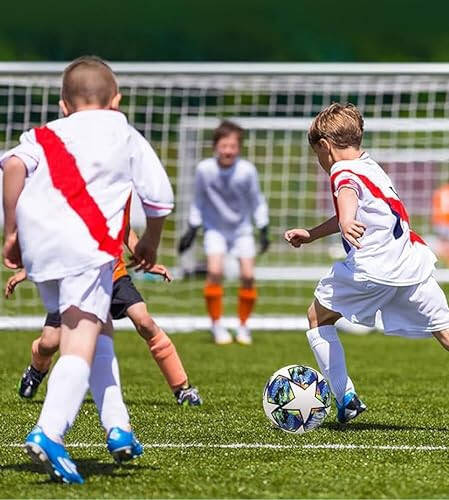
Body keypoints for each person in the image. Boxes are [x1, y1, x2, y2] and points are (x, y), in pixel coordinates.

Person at [1, 56, 174, 484]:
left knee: (97, 333)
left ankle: (119, 428)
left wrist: (11, 231)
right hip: (90, 248)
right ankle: (49, 432)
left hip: (45, 250)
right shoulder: (123, 132)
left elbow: (12, 167)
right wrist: (150, 242)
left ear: (63, 105)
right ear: (116, 100)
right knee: (79, 343)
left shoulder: (42, 135)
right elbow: (158, 196)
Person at [284, 103, 449, 424]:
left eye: (317, 153)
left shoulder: (342, 170)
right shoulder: (370, 165)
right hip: (412, 262)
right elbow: (359, 204)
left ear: (324, 146)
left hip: (375, 266)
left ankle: (345, 396)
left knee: (317, 318)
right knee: (445, 333)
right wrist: (315, 233)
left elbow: (346, 193)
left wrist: (346, 220)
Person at [7, 204, 202, 407]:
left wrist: (145, 259)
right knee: (49, 343)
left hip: (113, 273)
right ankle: (37, 368)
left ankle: (182, 388)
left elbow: (124, 229)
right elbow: (56, 232)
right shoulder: (74, 184)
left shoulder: (123, 184)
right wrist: (29, 269)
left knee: (145, 322)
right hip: (74, 274)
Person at [178, 120, 269, 345]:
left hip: (242, 229)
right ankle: (217, 325)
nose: (228, 150)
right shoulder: (204, 169)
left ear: (239, 148)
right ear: (215, 146)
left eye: (232, 146)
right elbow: (198, 200)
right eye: (223, 145)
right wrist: (192, 227)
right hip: (215, 228)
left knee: (248, 276)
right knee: (214, 271)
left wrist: (263, 227)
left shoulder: (246, 171)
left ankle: (243, 326)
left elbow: (256, 200)